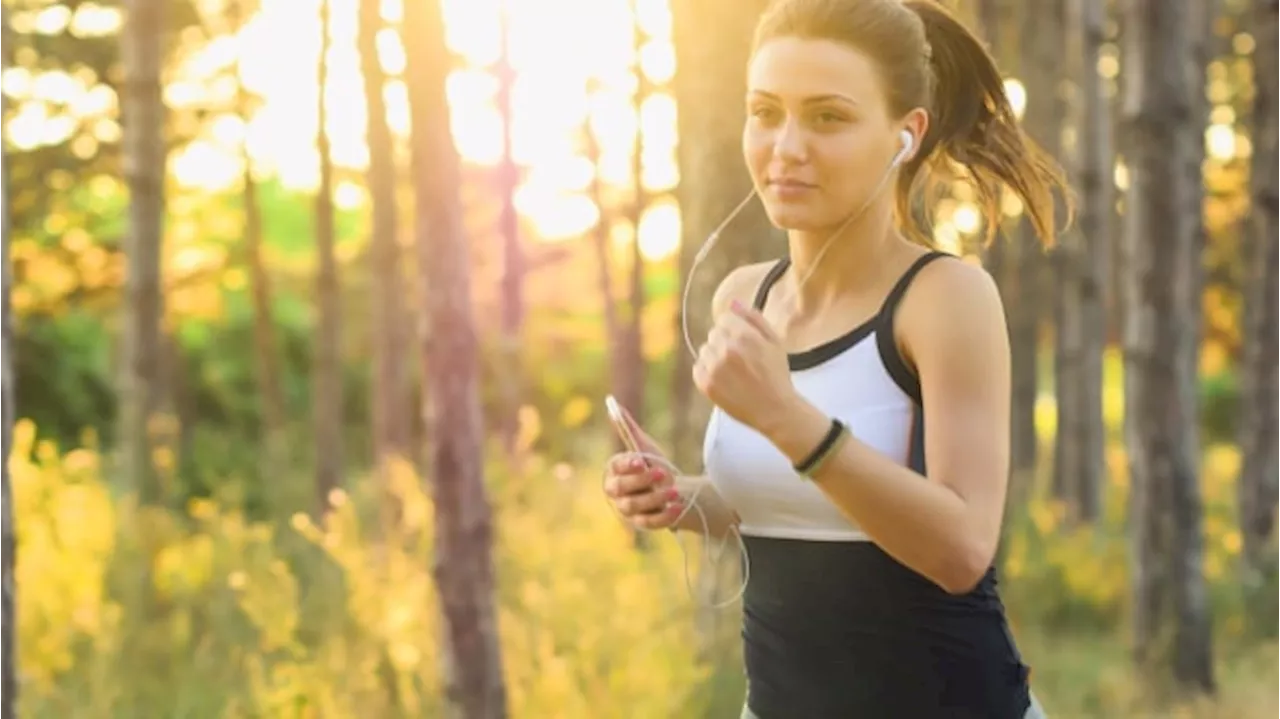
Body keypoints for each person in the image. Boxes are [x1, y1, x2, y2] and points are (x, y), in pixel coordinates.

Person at [602, 0, 1070, 717]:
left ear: (905, 134)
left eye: (828, 117)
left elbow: (961, 548)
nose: (786, 146)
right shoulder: (743, 296)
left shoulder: (945, 297)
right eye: (765, 112)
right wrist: (683, 498)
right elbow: (790, 503)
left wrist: (788, 418)